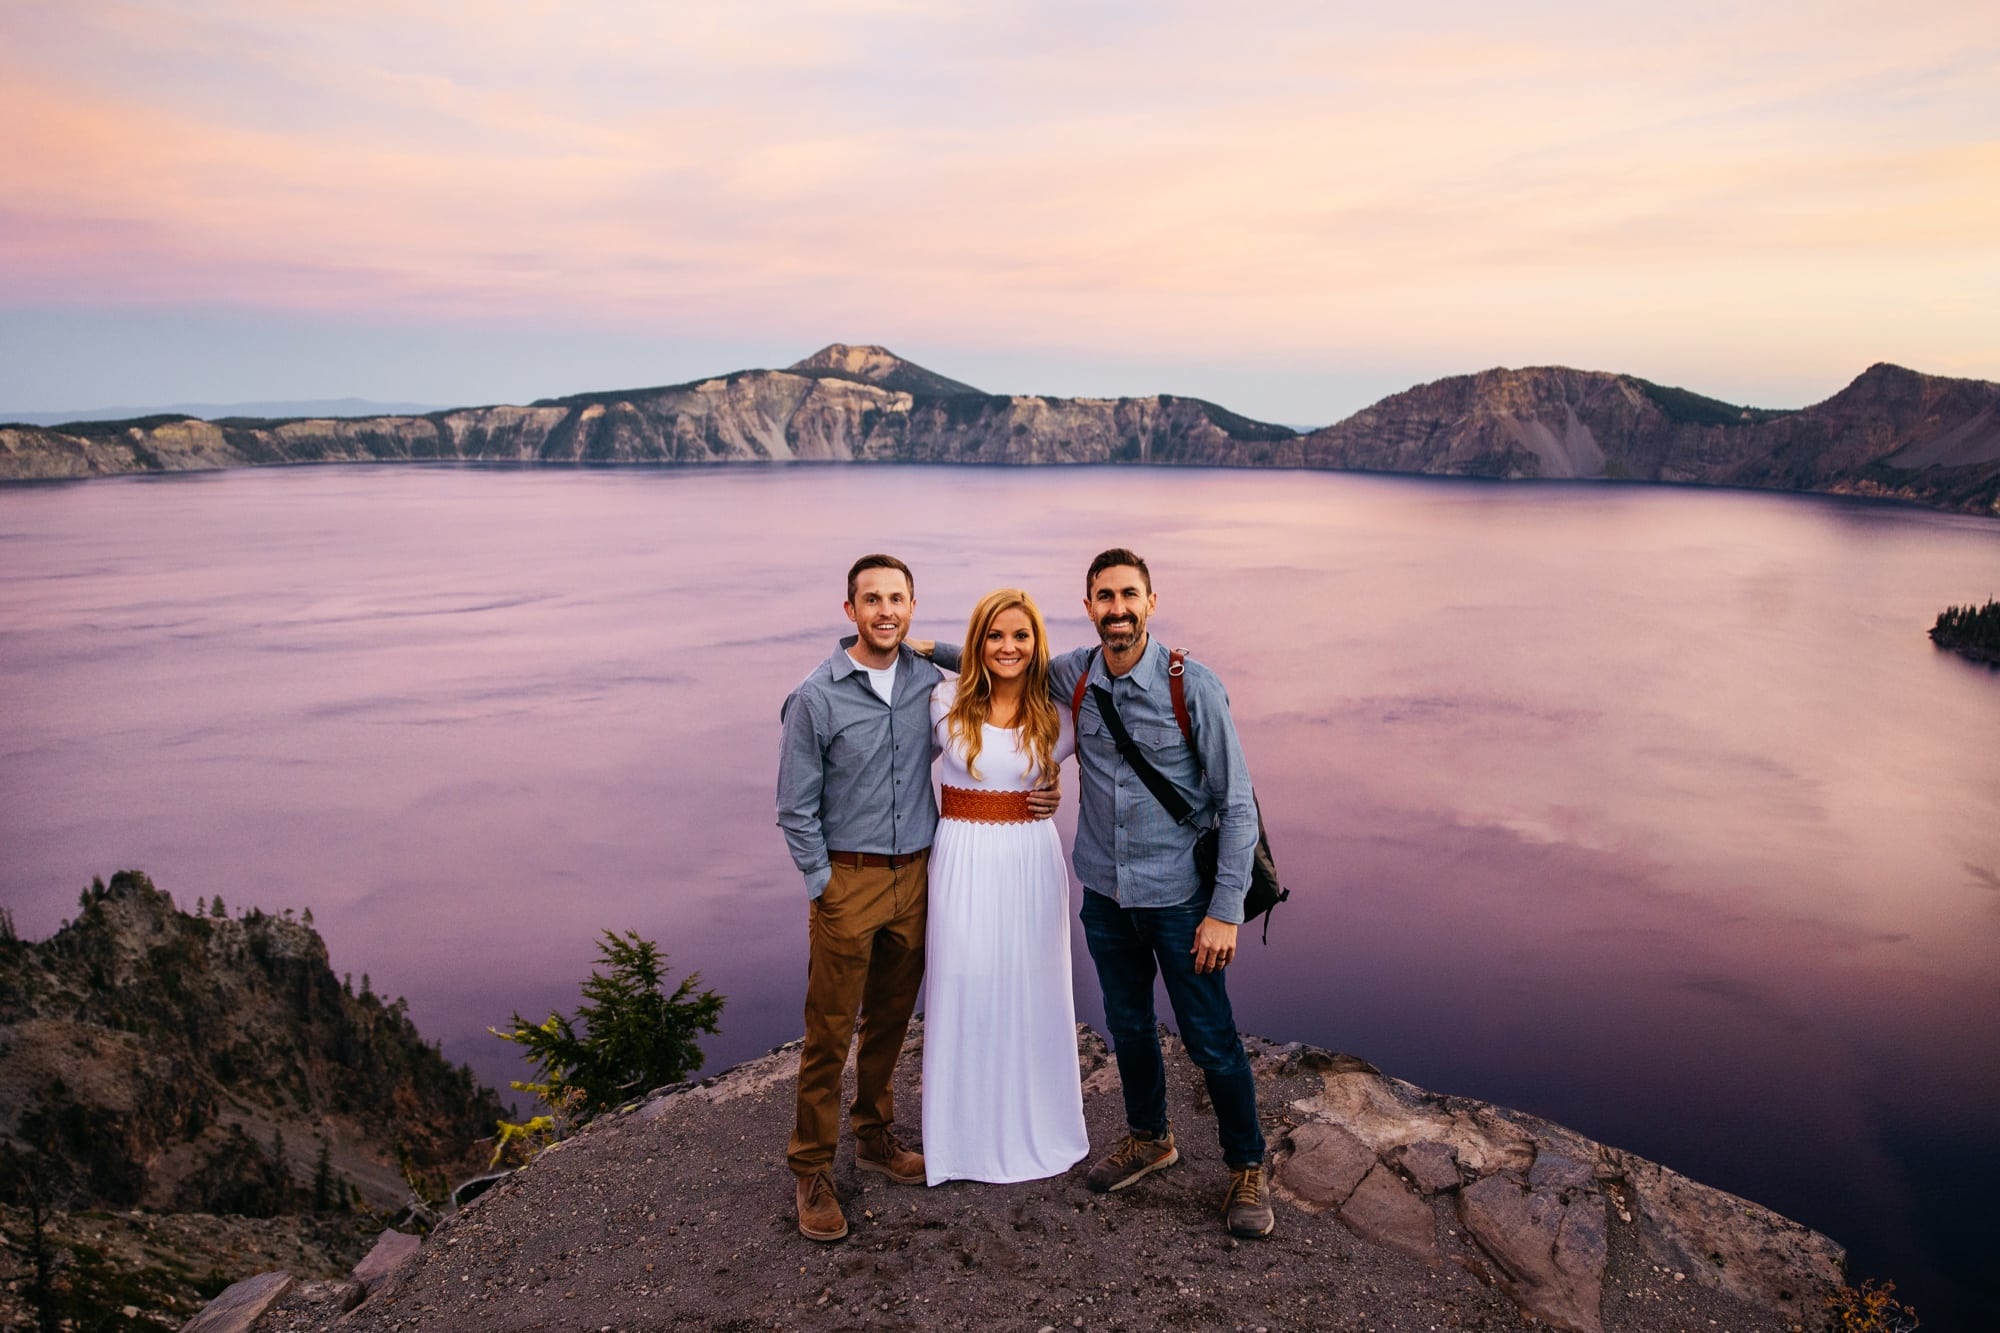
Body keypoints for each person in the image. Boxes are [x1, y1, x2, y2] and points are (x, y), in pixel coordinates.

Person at [1047, 548, 1275, 1239]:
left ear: (1150, 601)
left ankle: (1246, 1165)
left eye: (1128, 595)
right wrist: (906, 644)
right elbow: (996, 656)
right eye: (1104, 597)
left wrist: (1224, 911)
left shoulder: (1193, 686)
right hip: (1105, 894)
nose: (1117, 609)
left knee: (1210, 1038)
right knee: (1129, 1026)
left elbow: (1237, 806)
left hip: (1181, 901)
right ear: (1087, 606)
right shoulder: (1076, 674)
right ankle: (1150, 1135)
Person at [775, 554, 942, 1242]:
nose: (885, 610)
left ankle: (873, 1136)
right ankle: (811, 1168)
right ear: (850, 610)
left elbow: (1012, 670)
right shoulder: (816, 696)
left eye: (897, 598)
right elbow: (793, 807)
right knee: (829, 1031)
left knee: (891, 1019)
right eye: (871, 599)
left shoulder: (926, 678)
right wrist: (825, 886)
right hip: (850, 880)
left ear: (911, 606)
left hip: (917, 879)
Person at [922, 589, 1088, 1184]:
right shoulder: (943, 699)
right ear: (978, 643)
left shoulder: (1060, 716)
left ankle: (1038, 1126)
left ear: (1037, 643)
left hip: (1029, 860)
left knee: (1030, 985)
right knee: (964, 980)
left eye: (1020, 636)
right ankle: (960, 1140)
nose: (1008, 647)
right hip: (962, 856)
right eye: (995, 636)